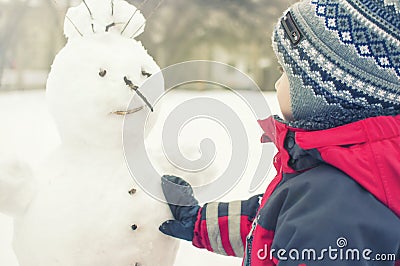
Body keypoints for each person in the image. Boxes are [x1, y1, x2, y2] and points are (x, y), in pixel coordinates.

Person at [158, 0, 400, 265]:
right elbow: (271, 221)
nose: (276, 83)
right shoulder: (340, 174)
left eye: (284, 72)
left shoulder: (333, 209)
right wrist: (199, 222)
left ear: (324, 95)